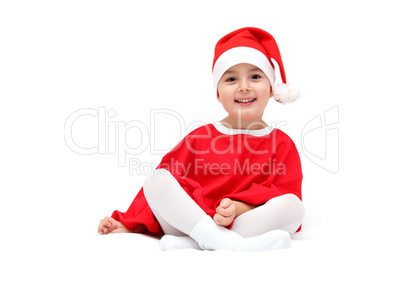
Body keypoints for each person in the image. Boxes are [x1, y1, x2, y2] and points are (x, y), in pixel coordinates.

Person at [98, 27, 304, 251]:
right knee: (156, 179)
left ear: (272, 88)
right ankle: (229, 243)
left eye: (255, 76)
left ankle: (199, 243)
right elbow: (165, 188)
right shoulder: (200, 138)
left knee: (294, 207)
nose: (244, 87)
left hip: (243, 222)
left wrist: (238, 207)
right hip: (187, 222)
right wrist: (130, 224)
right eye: (231, 79)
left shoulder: (282, 144)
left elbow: (281, 192)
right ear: (218, 93)